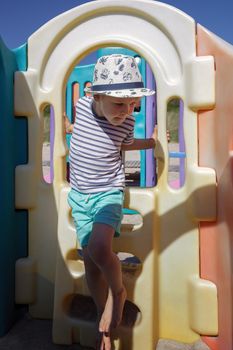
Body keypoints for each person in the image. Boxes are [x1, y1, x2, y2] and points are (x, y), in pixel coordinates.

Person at [67, 54, 156, 350]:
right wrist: (68, 128)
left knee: (99, 248)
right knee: (91, 264)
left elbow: (128, 144)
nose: (127, 111)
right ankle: (99, 312)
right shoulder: (82, 106)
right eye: (120, 103)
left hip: (108, 193)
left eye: (132, 104)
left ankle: (117, 294)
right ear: (98, 96)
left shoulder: (127, 122)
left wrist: (152, 142)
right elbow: (76, 130)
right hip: (80, 197)